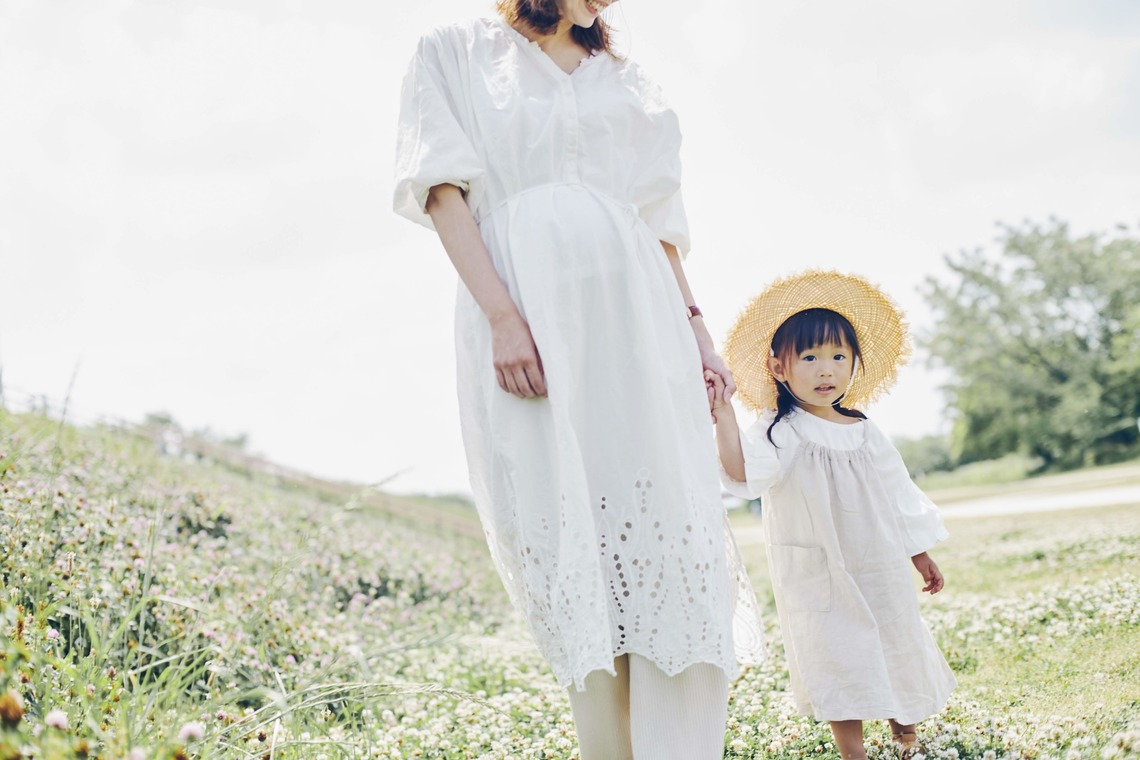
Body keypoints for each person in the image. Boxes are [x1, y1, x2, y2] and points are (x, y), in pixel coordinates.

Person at [392, 1, 763, 757]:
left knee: (670, 545)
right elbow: (441, 193)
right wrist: (502, 317)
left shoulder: (626, 81)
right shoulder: (456, 51)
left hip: (643, 325)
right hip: (529, 318)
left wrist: (699, 336)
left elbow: (659, 228)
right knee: (570, 540)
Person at [706, 270, 957, 760]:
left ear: (854, 365)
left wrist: (919, 552)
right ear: (779, 368)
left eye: (839, 356)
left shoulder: (864, 429)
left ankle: (905, 737)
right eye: (811, 357)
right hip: (817, 569)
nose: (827, 370)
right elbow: (740, 472)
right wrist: (724, 416)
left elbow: (897, 492)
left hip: (877, 561)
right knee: (836, 655)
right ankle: (853, 753)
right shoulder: (781, 430)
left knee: (893, 636)